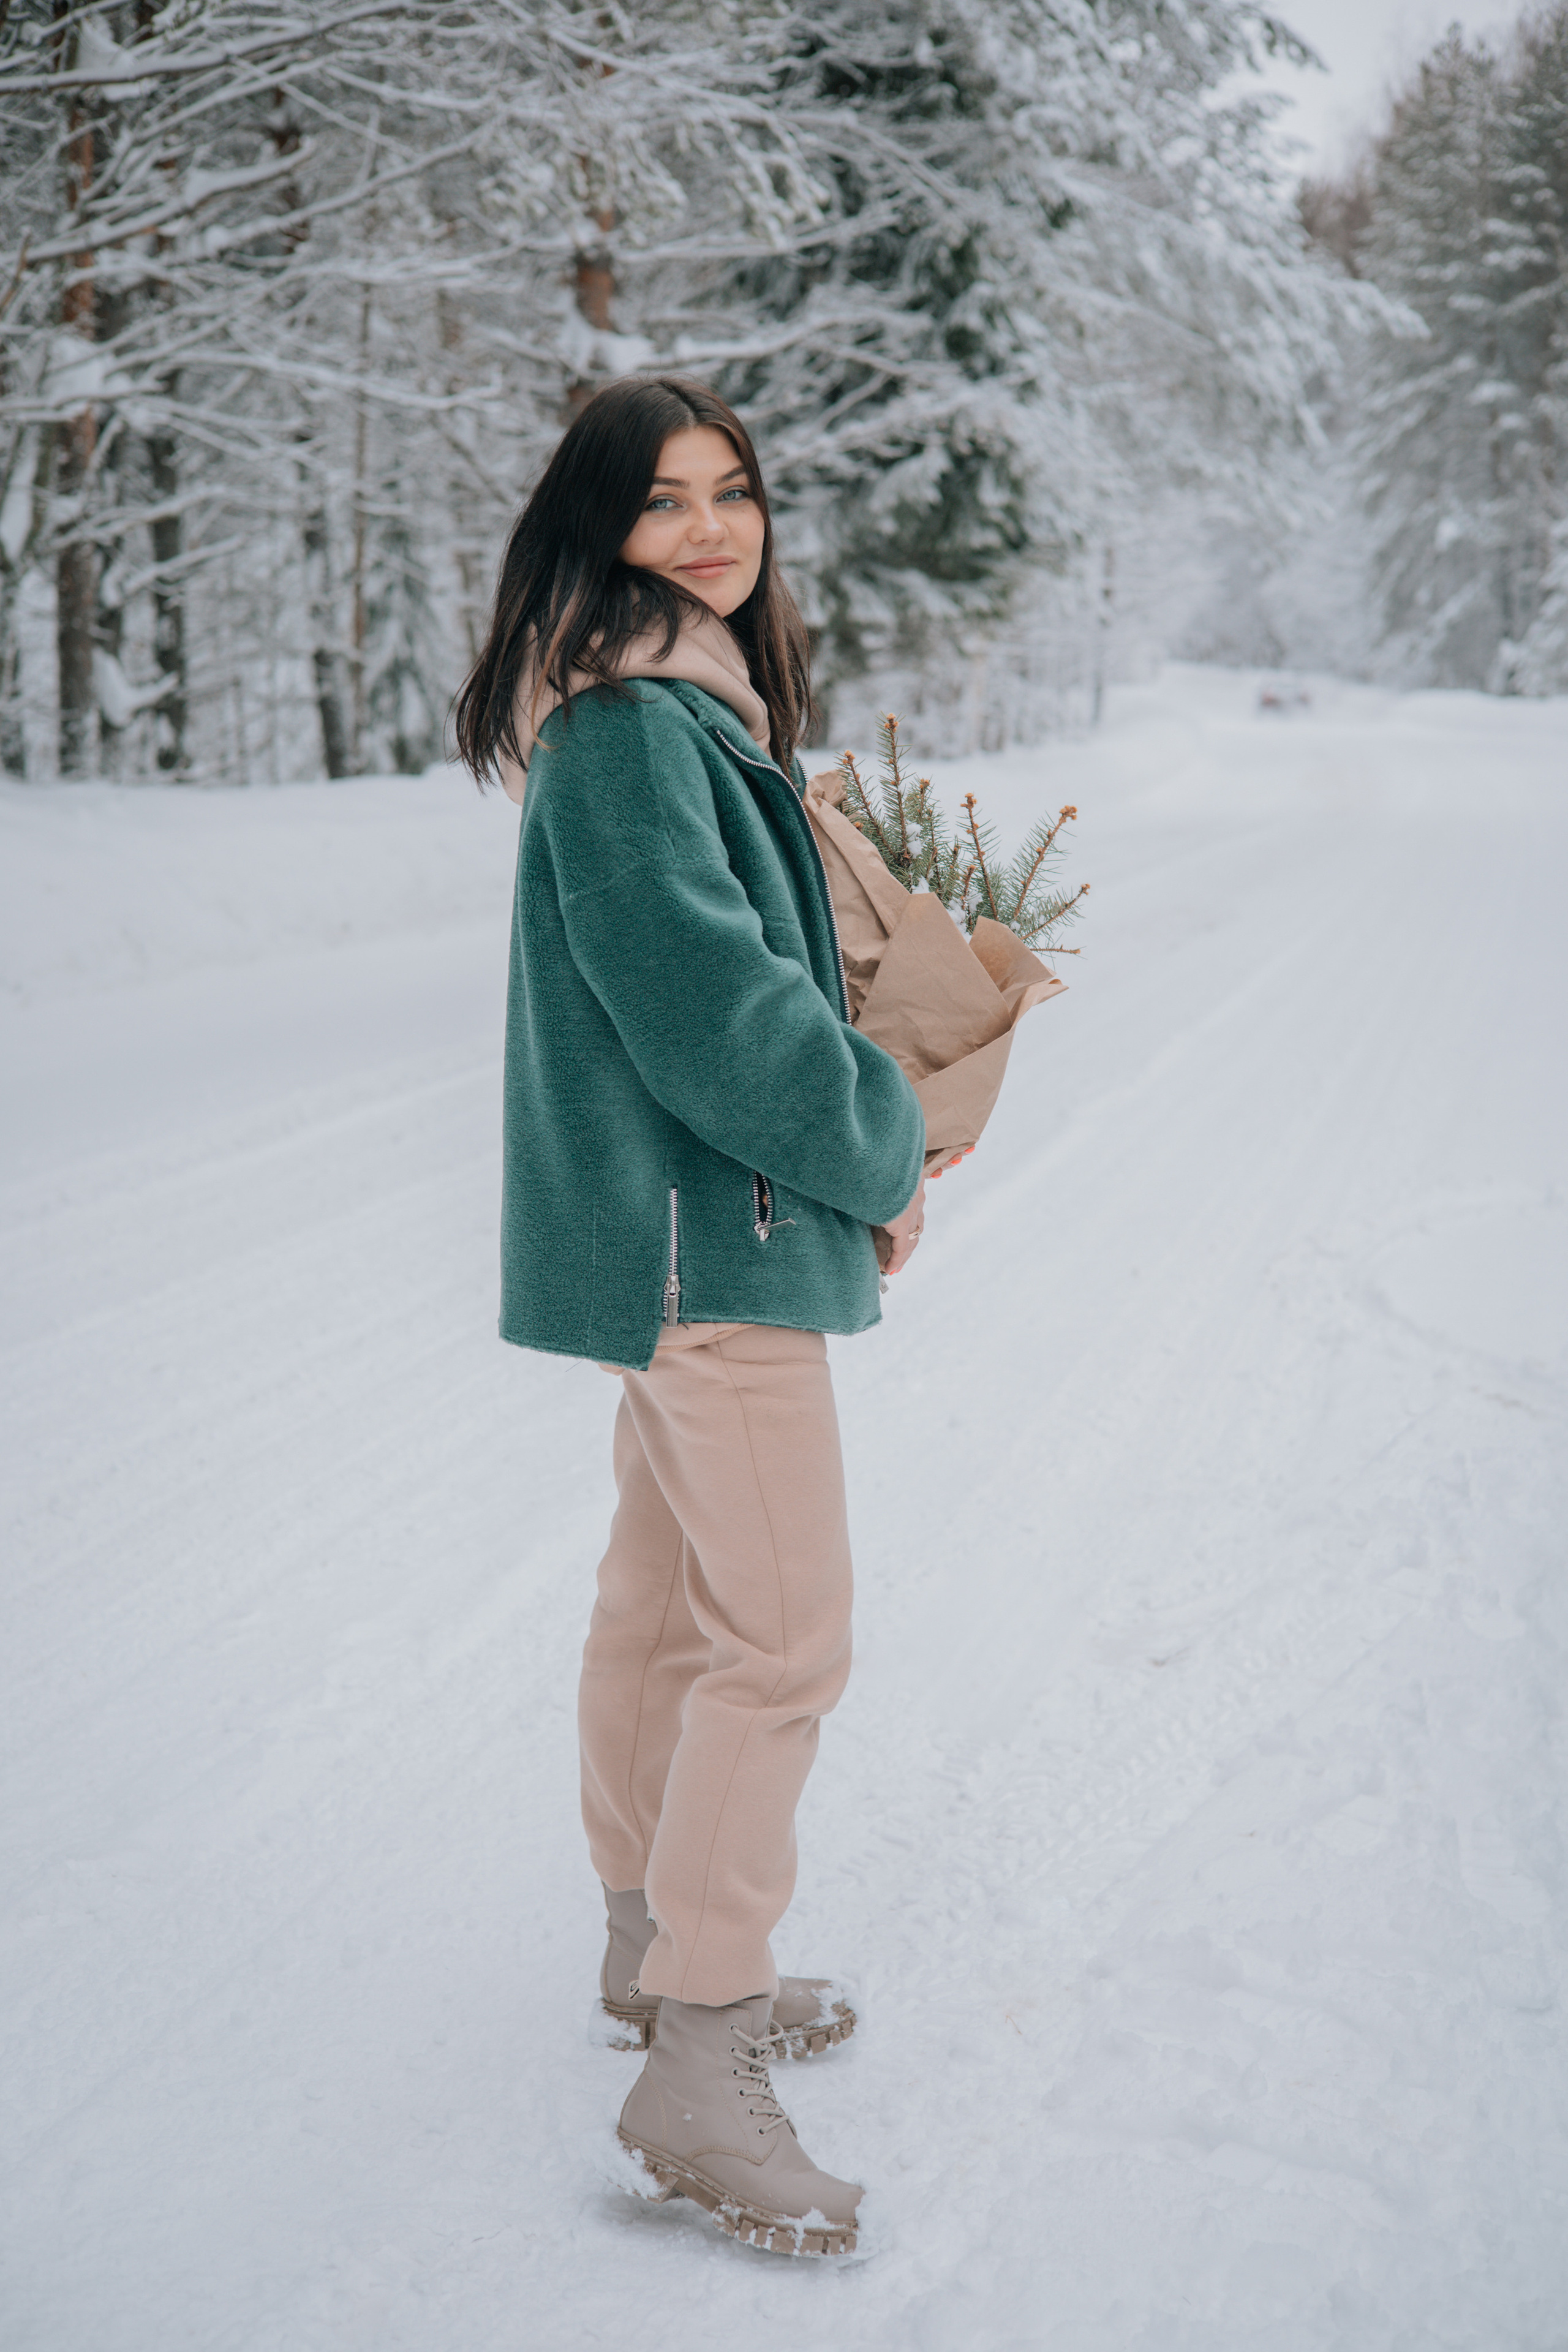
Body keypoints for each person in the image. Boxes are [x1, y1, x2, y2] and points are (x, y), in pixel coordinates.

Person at [454, 377, 931, 2257]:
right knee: (785, 1644)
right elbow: (714, 1015)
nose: (714, 531)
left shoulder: (661, 716)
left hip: (674, 1242)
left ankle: (654, 1953)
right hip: (705, 1246)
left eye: (732, 494)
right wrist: (879, 1146)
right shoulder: (643, 733)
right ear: (598, 534)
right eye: (664, 505)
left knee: (666, 1609)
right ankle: (700, 2056)